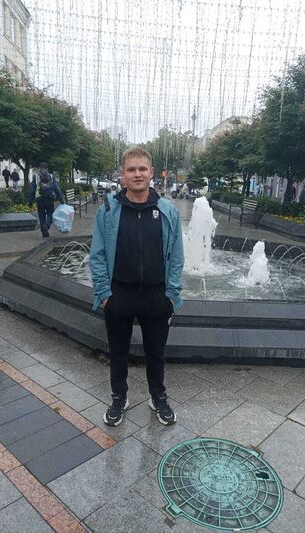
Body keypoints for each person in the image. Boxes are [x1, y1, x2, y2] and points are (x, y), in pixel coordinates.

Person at [89, 147, 184, 427]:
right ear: (123, 175)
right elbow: (97, 254)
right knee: (118, 352)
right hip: (119, 294)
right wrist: (104, 294)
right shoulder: (108, 210)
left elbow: (177, 256)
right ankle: (119, 397)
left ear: (151, 172)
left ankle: (158, 397)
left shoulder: (167, 211)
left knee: (156, 352)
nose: (137, 174)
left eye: (142, 169)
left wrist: (171, 294)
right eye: (131, 169)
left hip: (156, 295)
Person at [28, 163, 65, 238]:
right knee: (50, 214)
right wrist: (62, 201)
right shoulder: (51, 176)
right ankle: (46, 225)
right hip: (50, 198)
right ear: (47, 168)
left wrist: (30, 201)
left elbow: (32, 190)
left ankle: (43, 231)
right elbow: (57, 189)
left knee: (41, 215)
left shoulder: (36, 176)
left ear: (39, 168)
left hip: (40, 199)